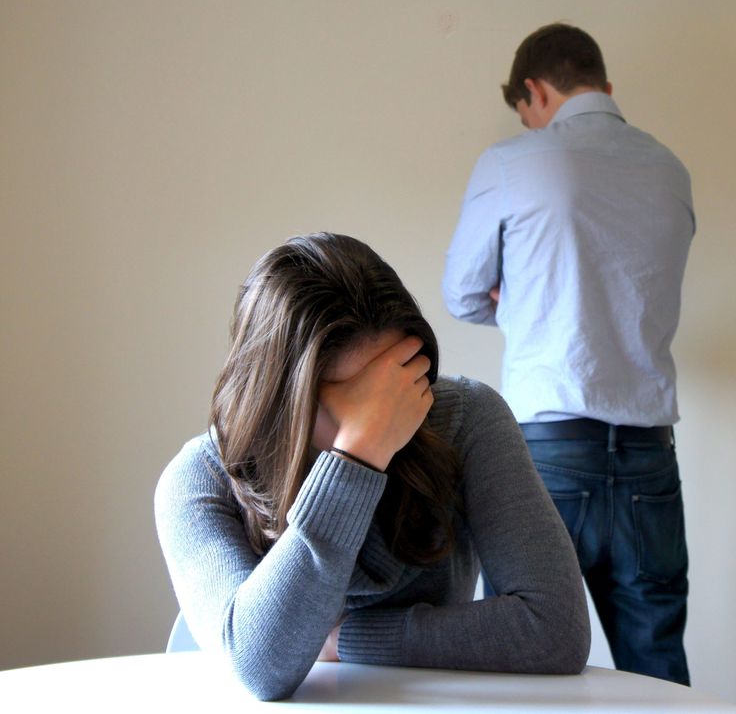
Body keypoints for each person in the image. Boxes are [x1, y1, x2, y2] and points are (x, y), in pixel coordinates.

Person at [155, 232, 590, 701]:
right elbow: (258, 666)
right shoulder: (198, 478)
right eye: (358, 399)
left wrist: (343, 640)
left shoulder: (466, 418)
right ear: (276, 398)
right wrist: (357, 456)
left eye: (400, 381)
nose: (390, 411)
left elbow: (555, 627)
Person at [442, 24, 694, 686]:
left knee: (520, 668)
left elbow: (461, 291)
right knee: (659, 667)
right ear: (605, 87)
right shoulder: (670, 168)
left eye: (527, 111)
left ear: (535, 90)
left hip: (546, 455)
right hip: (649, 460)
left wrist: (527, 299)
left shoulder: (512, 161)